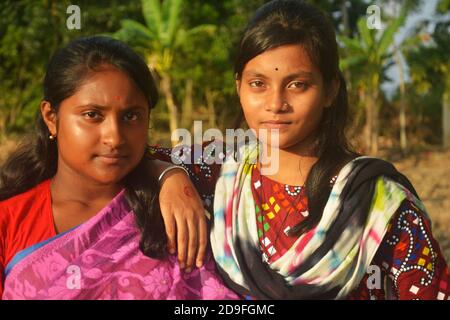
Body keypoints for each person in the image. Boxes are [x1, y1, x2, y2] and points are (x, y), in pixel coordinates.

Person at [150, 0, 449, 299]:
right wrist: (169, 175)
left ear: (330, 89)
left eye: (297, 85)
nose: (276, 103)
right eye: (258, 83)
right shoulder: (215, 169)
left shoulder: (377, 202)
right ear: (239, 87)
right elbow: (123, 156)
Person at [0, 35, 238, 300]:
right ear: (51, 118)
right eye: (92, 115)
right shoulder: (9, 223)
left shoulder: (173, 213)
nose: (114, 137)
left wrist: (171, 173)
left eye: (131, 116)